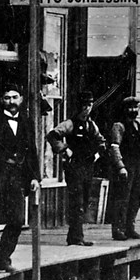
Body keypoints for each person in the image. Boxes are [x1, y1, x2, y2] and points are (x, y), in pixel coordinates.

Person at [0, 85, 40, 274]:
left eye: (14, 97)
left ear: (21, 99)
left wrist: (35, 177)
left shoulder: (26, 122)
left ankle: (4, 259)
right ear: (2, 100)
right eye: (7, 98)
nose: (11, 102)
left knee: (17, 220)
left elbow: (32, 151)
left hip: (17, 178)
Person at [47, 91, 106, 246]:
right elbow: (52, 135)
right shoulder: (70, 123)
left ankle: (76, 235)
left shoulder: (91, 124)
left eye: (90, 105)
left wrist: (97, 155)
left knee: (85, 200)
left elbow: (101, 142)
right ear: (79, 106)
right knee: (77, 201)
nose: (87, 109)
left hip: (87, 166)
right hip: (74, 167)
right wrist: (65, 149)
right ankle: (76, 238)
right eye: (84, 105)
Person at [107, 96, 140, 241]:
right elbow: (114, 147)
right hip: (126, 166)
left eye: (136, 107)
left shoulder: (138, 125)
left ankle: (130, 228)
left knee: (135, 198)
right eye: (130, 108)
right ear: (124, 109)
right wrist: (120, 166)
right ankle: (118, 229)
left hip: (138, 166)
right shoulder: (119, 126)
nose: (133, 111)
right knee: (122, 198)